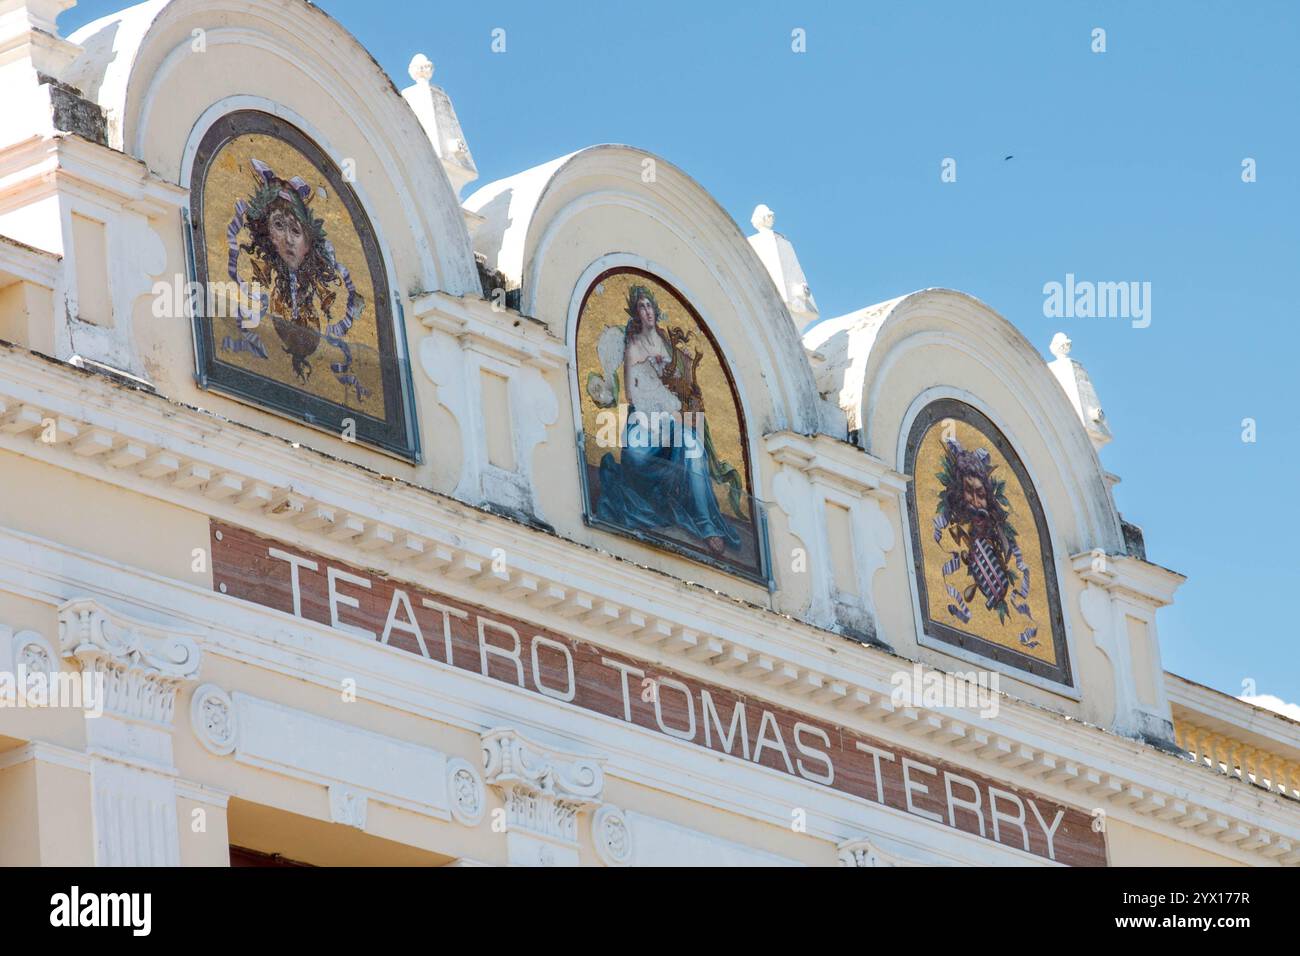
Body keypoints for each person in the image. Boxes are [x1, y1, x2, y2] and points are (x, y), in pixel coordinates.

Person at [595, 285, 742, 558]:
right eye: (642, 307)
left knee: (693, 441)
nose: (648, 311)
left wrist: (679, 406)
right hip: (643, 430)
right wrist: (666, 412)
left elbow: (680, 386)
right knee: (684, 431)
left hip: (670, 422)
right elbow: (633, 396)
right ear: (636, 313)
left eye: (650, 305)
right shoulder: (633, 347)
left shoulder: (665, 343)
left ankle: (707, 525)